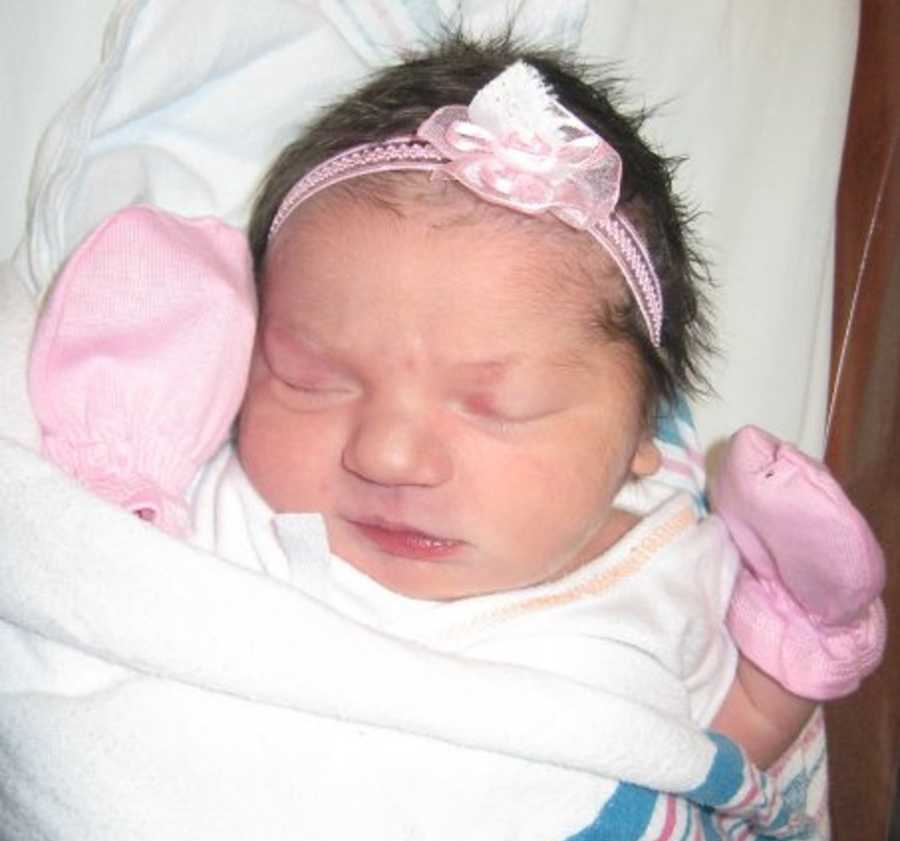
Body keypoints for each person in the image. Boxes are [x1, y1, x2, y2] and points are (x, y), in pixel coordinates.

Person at [28, 34, 884, 774]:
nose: (389, 456)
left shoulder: (663, 577)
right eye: (310, 379)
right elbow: (88, 603)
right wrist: (125, 455)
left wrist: (791, 657)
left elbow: (720, 761)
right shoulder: (228, 514)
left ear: (640, 440)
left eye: (500, 406)